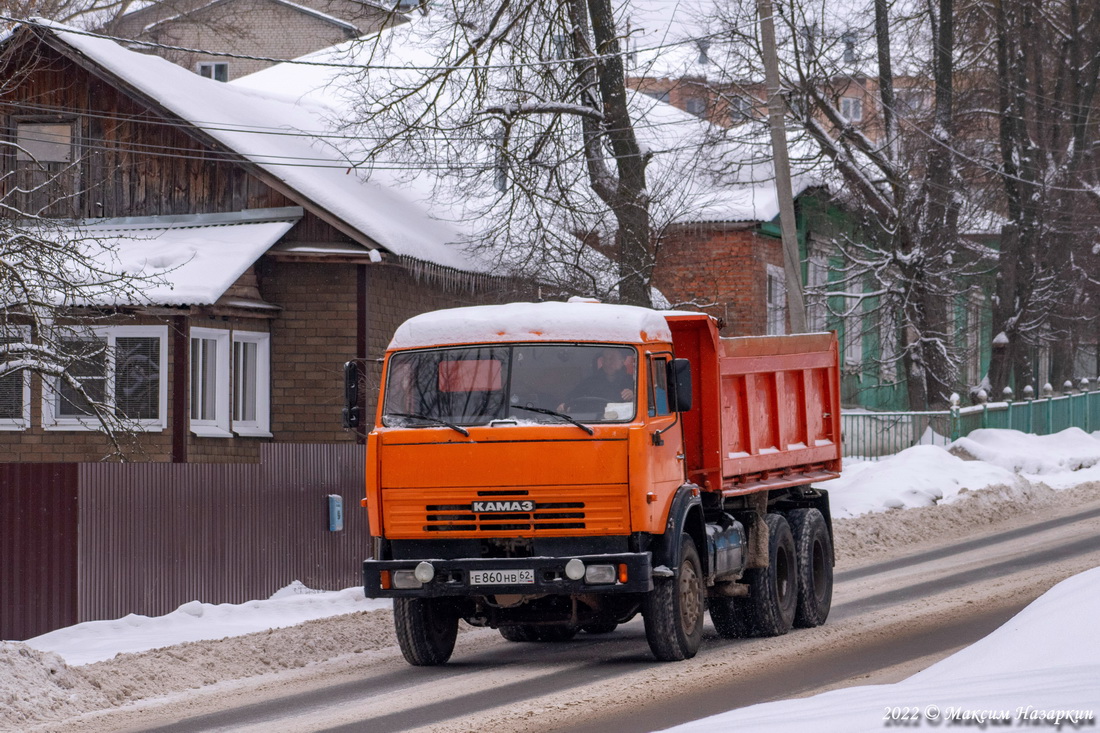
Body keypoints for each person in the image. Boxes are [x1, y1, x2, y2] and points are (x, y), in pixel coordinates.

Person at [561, 348, 635, 409]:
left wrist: (633, 396)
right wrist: (564, 405)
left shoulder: (633, 382)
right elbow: (571, 398)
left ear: (622, 360)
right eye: (605, 359)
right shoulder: (589, 382)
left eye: (612, 358)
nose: (607, 362)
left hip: (622, 422)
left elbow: (644, 404)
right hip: (593, 422)